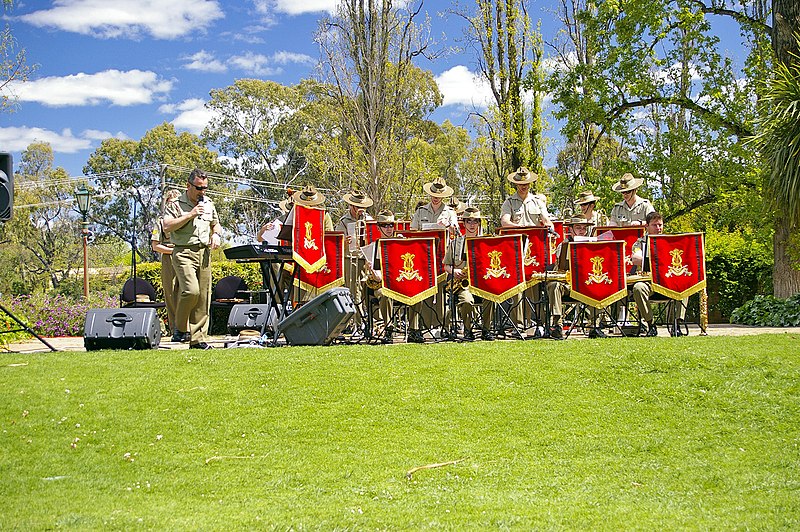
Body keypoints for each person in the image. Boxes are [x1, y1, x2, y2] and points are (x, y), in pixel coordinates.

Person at [163, 169, 223, 350]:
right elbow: (167, 226)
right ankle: (180, 328)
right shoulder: (175, 204)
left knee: (203, 297)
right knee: (191, 290)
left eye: (205, 188)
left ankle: (198, 339)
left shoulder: (209, 203)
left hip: (204, 253)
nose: (202, 191)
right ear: (188, 185)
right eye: (198, 187)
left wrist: (217, 235)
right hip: (183, 252)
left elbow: (216, 224)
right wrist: (190, 214)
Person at [500, 166, 554, 334]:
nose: (523, 186)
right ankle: (519, 324)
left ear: (530, 184)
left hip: (536, 251)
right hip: (515, 250)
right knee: (517, 286)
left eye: (527, 184)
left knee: (535, 286)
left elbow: (546, 220)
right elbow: (504, 222)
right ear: (515, 185)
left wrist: (548, 226)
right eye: (520, 184)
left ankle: (536, 323)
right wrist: (521, 228)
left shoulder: (538, 201)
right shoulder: (509, 202)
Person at [411, 177, 456, 336]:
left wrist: (449, 227)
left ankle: (441, 326)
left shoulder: (450, 212)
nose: (436, 197)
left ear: (443, 195)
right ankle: (425, 326)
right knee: (426, 292)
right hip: (423, 259)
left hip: (443, 259)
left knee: (442, 293)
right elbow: (412, 233)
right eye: (433, 194)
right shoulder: (420, 211)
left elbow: (456, 235)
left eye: (439, 195)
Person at [630, 211, 687, 337]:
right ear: (647, 227)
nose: (658, 228)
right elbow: (636, 259)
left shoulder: (670, 242)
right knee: (638, 288)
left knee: (685, 283)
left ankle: (676, 324)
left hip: (668, 281)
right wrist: (661, 260)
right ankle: (651, 324)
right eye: (655, 225)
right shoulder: (640, 243)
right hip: (648, 282)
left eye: (660, 225)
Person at [546, 218, 604, 339]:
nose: (582, 231)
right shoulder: (563, 246)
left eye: (584, 228)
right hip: (568, 284)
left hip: (586, 283)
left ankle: (594, 325)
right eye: (578, 228)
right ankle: (557, 325)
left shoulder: (593, 245)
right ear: (570, 230)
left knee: (598, 282)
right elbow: (562, 266)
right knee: (554, 285)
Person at [442, 207, 494, 341]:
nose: (472, 224)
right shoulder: (455, 243)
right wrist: (454, 271)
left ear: (479, 224)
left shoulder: (486, 243)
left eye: (475, 221)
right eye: (468, 221)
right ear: (463, 224)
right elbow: (446, 265)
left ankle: (486, 330)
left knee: (491, 297)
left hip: (482, 283)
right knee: (466, 301)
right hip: (463, 285)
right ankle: (468, 329)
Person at [336, 190, 374, 335]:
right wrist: (344, 242)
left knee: (366, 291)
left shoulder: (369, 220)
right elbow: (337, 242)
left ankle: (370, 322)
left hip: (366, 259)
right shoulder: (343, 221)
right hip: (350, 259)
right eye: (357, 206)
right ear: (351, 206)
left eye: (362, 206)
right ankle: (357, 323)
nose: (360, 209)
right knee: (354, 291)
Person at [151, 189, 182, 340]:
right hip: (169, 258)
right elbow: (155, 246)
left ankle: (190, 328)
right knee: (171, 294)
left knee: (188, 292)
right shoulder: (161, 221)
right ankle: (175, 329)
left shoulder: (186, 218)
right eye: (172, 201)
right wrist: (172, 251)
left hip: (187, 256)